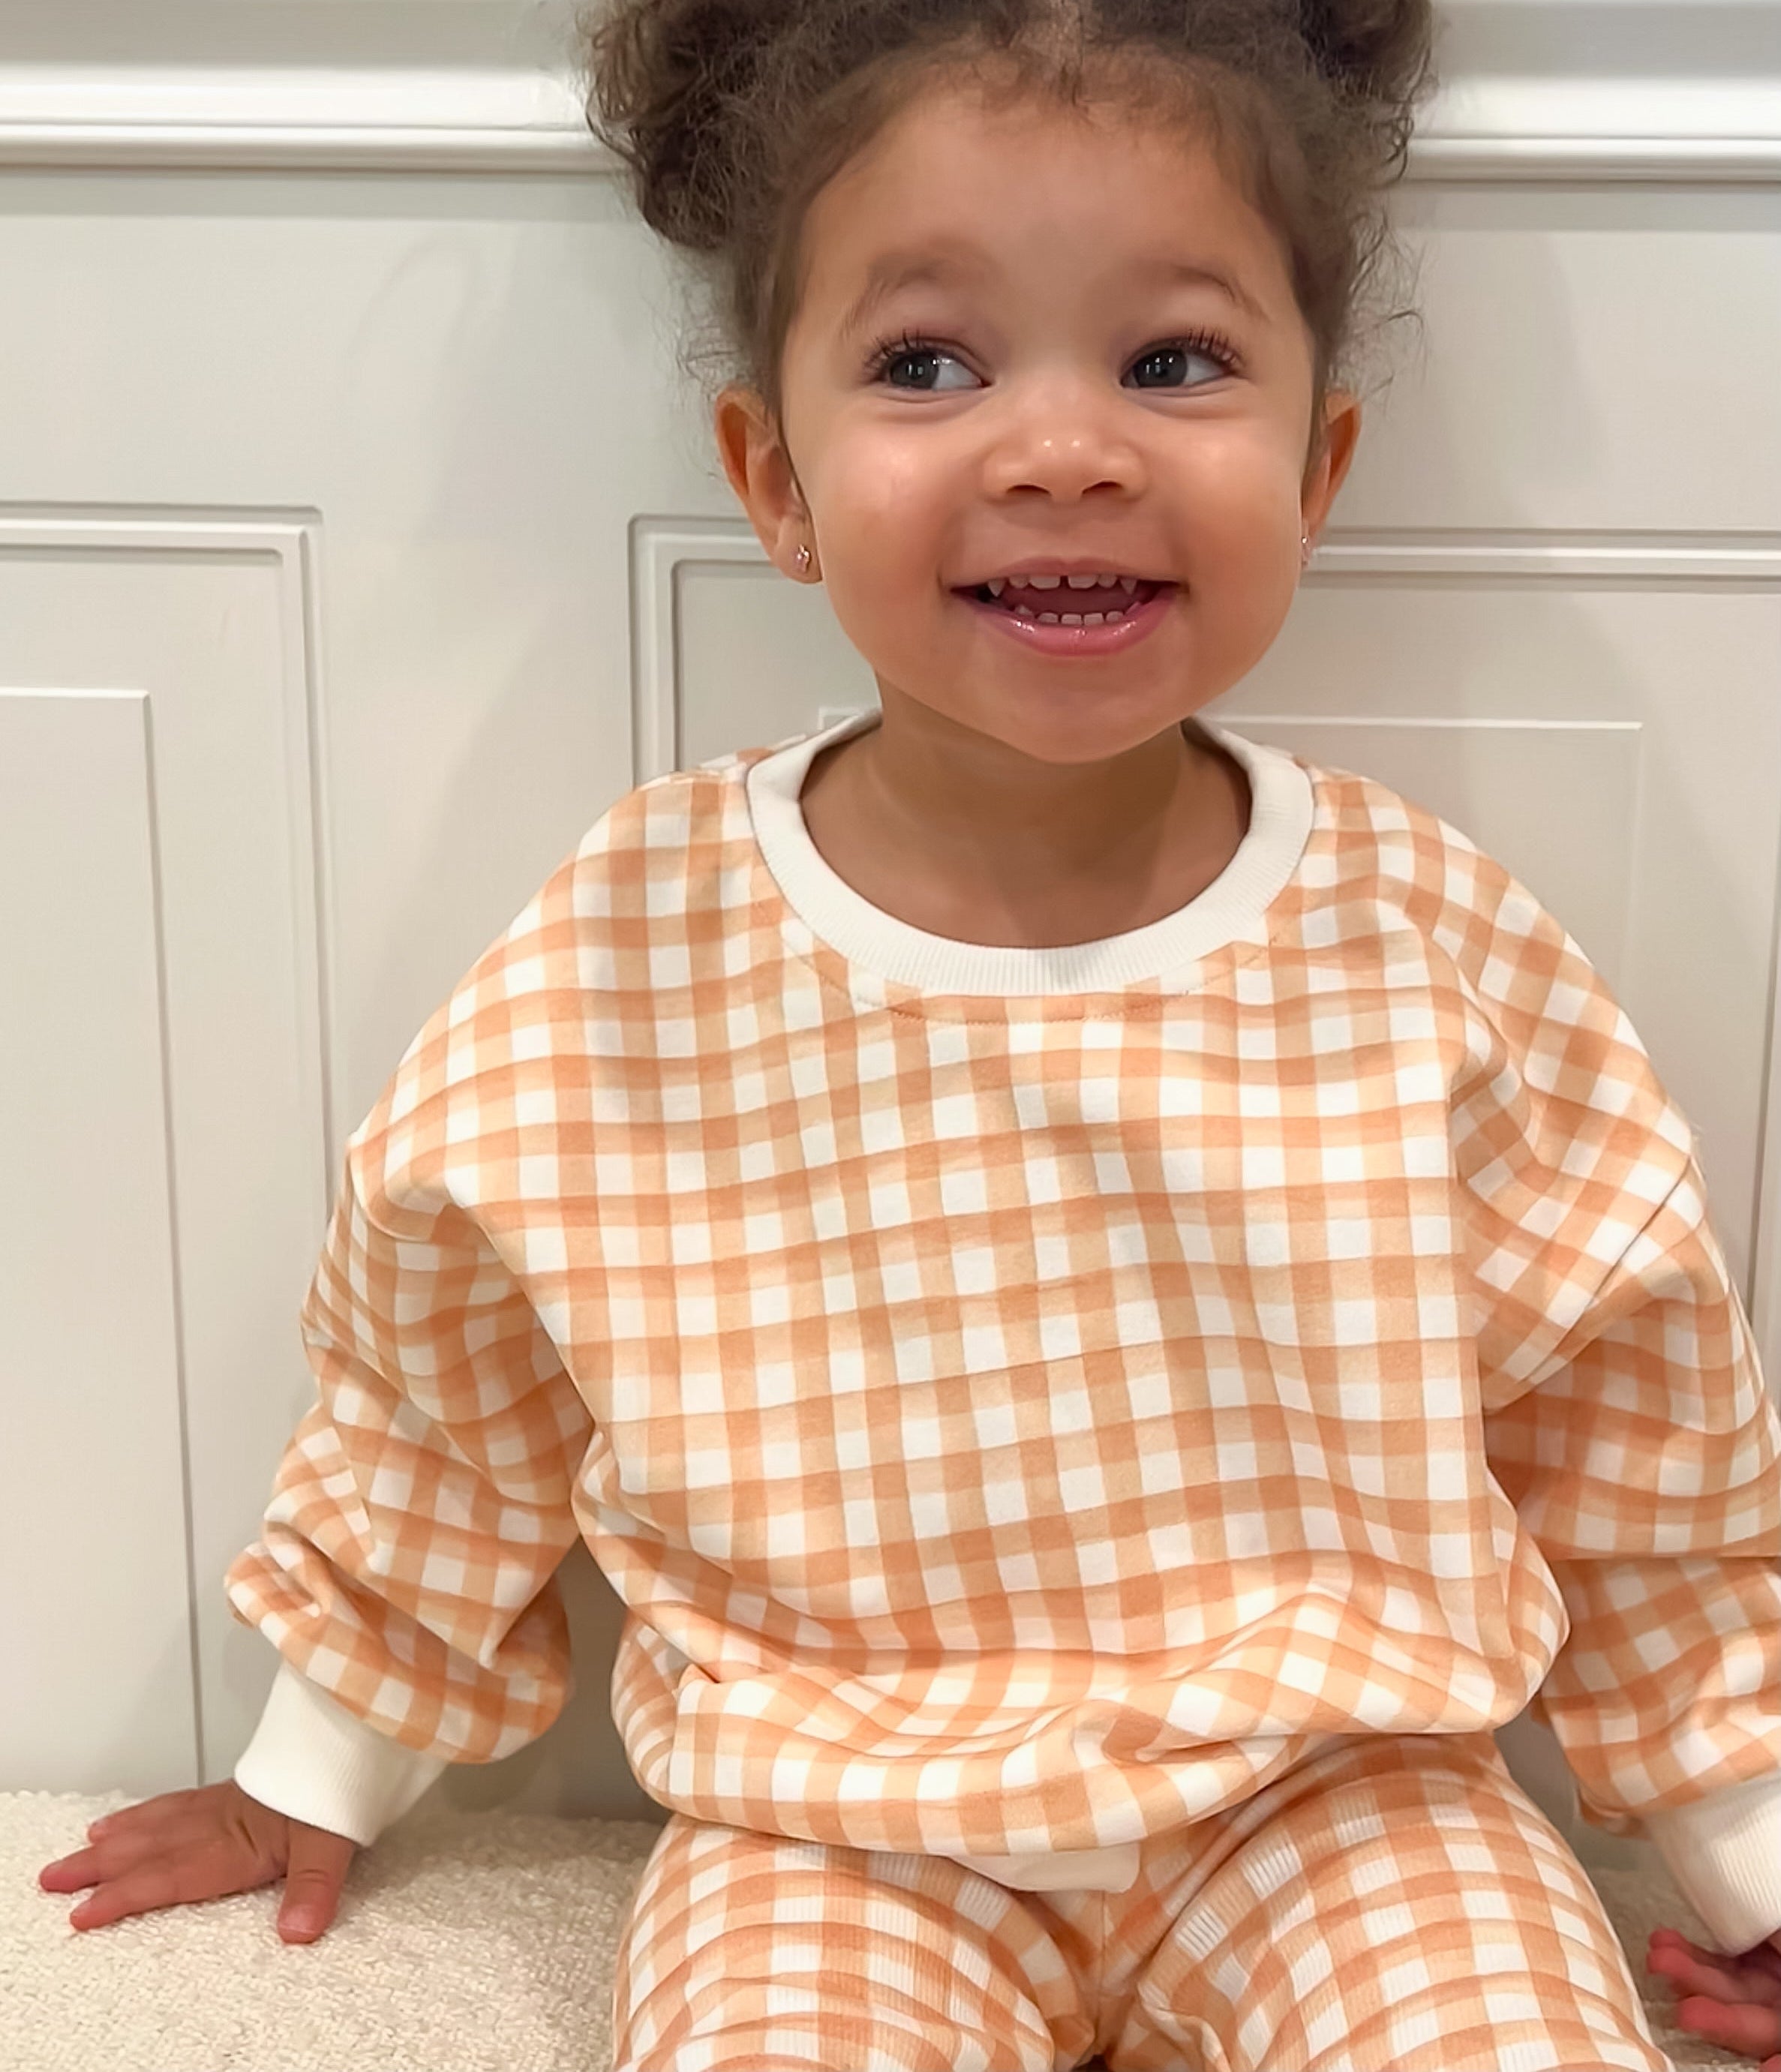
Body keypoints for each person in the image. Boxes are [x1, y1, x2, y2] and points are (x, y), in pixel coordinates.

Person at [38, 1, 1781, 2065]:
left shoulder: (1428, 948)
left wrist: (1748, 1850)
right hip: (834, 1822)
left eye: (1174, 361)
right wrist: (311, 1761)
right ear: (773, 480)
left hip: (1350, 1799)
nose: (1063, 445)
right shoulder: (641, 948)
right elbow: (444, 1378)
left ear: (1318, 465)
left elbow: (1643, 1436)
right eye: (928, 364)